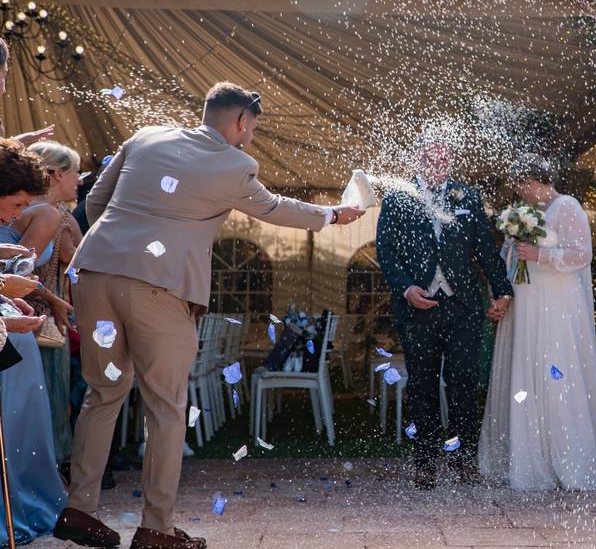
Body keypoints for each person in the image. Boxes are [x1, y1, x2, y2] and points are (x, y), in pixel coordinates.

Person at [53, 82, 365, 549]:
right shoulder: (237, 164)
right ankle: (156, 528)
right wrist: (333, 216)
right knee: (166, 406)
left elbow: (95, 202)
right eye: (253, 127)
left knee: (103, 394)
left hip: (95, 274)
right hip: (158, 287)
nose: (252, 137)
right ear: (241, 122)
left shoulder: (146, 136)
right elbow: (275, 209)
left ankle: (79, 510)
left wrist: (114, 249)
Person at [479, 154, 596, 490]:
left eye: (520, 184)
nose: (518, 191)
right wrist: (502, 290)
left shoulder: (567, 206)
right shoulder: (522, 214)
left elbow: (581, 254)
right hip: (525, 303)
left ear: (533, 181)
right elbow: (508, 256)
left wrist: (540, 255)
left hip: (554, 306)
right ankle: (526, 452)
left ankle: (563, 453)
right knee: (525, 368)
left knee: (553, 370)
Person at [376, 137, 512, 490]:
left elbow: (484, 247)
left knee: (464, 384)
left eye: (444, 156)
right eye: (430, 156)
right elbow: (386, 251)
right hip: (417, 307)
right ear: (418, 159)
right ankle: (425, 463)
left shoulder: (467, 196)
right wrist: (406, 288)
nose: (438, 162)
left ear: (450, 159)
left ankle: (464, 460)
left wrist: (503, 289)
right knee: (421, 387)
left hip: (463, 308)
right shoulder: (397, 196)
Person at [0, 135, 67, 545]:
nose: (21, 213)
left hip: (11, 331)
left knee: (20, 425)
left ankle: (22, 498)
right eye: (18, 204)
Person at [0, 140, 83, 464]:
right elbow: (24, 274)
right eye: (75, 172)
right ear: (57, 174)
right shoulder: (50, 214)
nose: (80, 180)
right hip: (30, 315)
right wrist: (49, 297)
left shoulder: (53, 214)